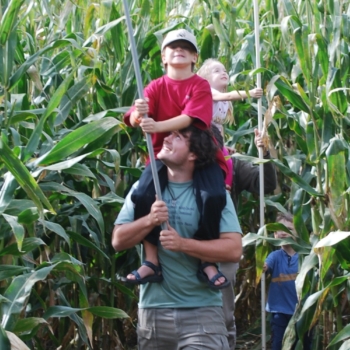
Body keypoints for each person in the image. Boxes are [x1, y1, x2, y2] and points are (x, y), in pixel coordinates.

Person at [112, 125, 243, 349]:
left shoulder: (214, 195)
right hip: (153, 313)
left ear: (193, 154)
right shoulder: (143, 188)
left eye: (179, 136)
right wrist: (149, 220)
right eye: (170, 132)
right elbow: (118, 241)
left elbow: (233, 250)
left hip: (201, 313)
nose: (168, 138)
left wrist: (183, 245)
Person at [123, 29, 229, 289]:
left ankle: (206, 259)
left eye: (185, 47)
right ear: (163, 57)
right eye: (172, 47)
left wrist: (156, 126)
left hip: (199, 156)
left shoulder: (199, 86)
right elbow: (133, 117)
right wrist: (139, 115)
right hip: (163, 156)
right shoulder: (156, 86)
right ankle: (151, 261)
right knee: (144, 196)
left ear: (194, 57)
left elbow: (190, 119)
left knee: (213, 196)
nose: (178, 50)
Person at [211, 123, 277, 350]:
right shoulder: (183, 163)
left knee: (223, 314)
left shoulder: (232, 163)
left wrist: (264, 154)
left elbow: (266, 184)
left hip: (223, 247)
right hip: (187, 248)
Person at [197, 58, 263, 191]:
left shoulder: (224, 102)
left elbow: (219, 127)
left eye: (225, 71)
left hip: (215, 140)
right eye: (217, 71)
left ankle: (226, 187)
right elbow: (229, 96)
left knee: (228, 161)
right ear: (206, 79)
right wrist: (250, 93)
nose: (223, 73)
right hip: (203, 138)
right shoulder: (209, 91)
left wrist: (223, 145)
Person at [263, 212, 298, 350]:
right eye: (280, 229)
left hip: (302, 312)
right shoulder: (275, 256)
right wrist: (262, 266)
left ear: (298, 233)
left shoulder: (304, 256)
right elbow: (266, 265)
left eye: (288, 229)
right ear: (275, 235)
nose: (283, 233)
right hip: (279, 311)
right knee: (278, 344)